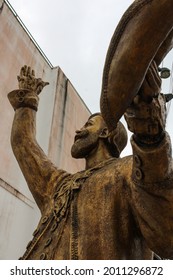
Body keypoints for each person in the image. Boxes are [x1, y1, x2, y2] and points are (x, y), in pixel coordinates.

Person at [8, 64, 173, 260]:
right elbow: (24, 146)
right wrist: (27, 101)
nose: (78, 131)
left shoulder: (129, 171)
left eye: (88, 125)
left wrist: (150, 131)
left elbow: (165, 231)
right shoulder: (59, 185)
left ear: (105, 133)